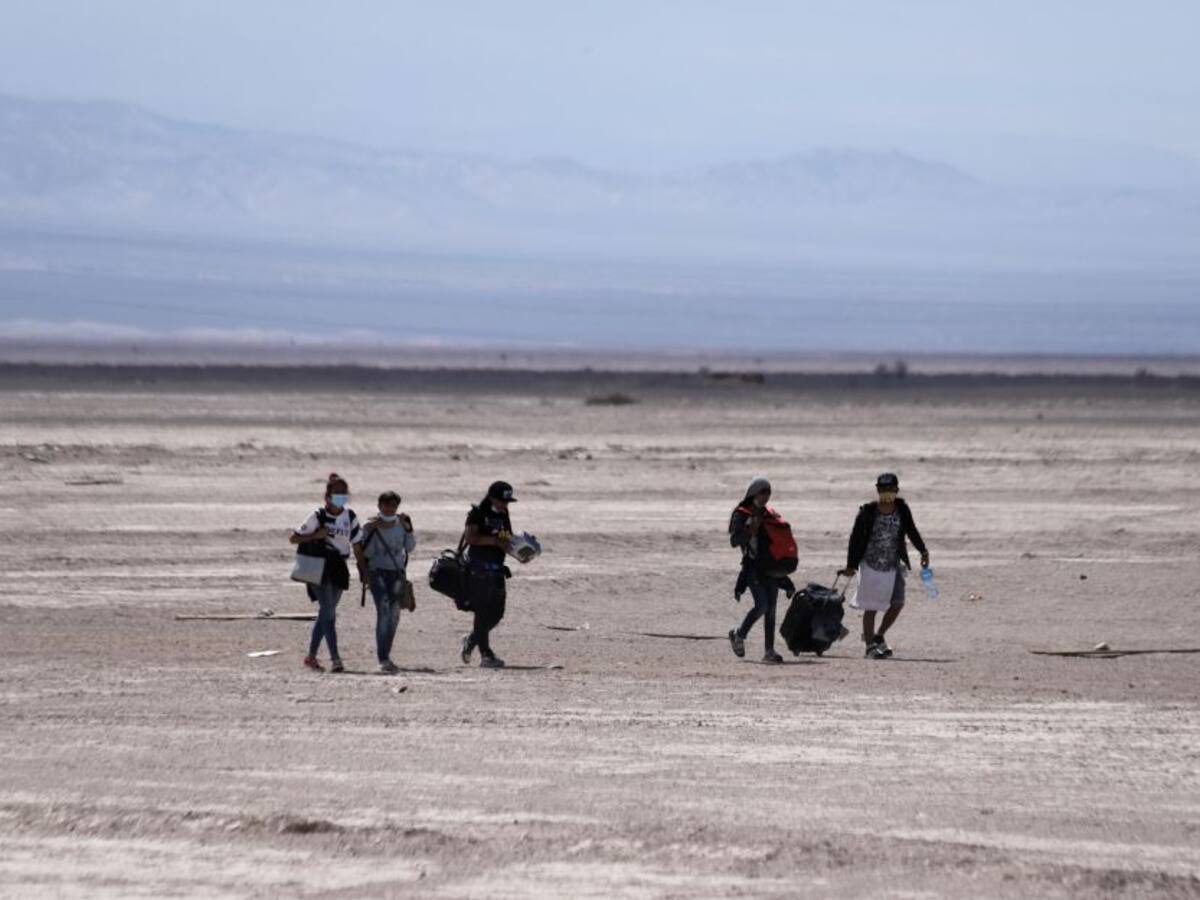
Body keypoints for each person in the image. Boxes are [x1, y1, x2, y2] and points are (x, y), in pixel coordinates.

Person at [840, 472, 929, 659]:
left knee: (897, 602)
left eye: (890, 489)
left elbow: (911, 531)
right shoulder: (867, 512)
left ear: (896, 490)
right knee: (871, 606)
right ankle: (869, 647)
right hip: (871, 564)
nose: (887, 493)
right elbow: (855, 540)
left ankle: (879, 636)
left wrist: (923, 551)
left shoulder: (902, 509)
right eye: (883, 490)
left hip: (892, 564)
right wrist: (851, 566)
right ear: (877, 490)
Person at [290, 473, 362, 673]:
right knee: (329, 613)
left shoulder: (350, 517)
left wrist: (364, 570)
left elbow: (357, 545)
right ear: (328, 496)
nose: (340, 496)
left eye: (343, 493)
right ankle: (336, 659)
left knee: (326, 614)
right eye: (336, 492)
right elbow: (294, 538)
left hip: (339, 567)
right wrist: (315, 535)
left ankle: (311, 656)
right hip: (318, 567)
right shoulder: (317, 516)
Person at [727, 476, 788, 664]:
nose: (767, 495)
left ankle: (769, 651)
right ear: (753, 492)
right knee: (762, 605)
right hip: (753, 568)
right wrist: (751, 530)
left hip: (771, 568)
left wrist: (786, 578)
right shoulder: (741, 513)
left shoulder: (769, 514)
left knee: (771, 610)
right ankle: (739, 634)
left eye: (769, 492)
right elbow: (734, 541)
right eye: (763, 491)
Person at [459, 481, 518, 669]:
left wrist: (520, 549)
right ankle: (486, 655)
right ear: (491, 497)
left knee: (497, 613)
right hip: (478, 568)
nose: (504, 504)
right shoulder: (477, 513)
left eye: (507, 502)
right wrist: (493, 541)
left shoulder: (503, 514)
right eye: (501, 500)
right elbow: (471, 537)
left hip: (497, 568)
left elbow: (507, 537)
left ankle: (472, 639)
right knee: (483, 612)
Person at [358, 490, 416, 675]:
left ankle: (386, 655)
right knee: (383, 611)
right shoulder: (369, 525)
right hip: (377, 572)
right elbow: (363, 552)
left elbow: (410, 547)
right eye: (386, 505)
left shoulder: (401, 523)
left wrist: (409, 529)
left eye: (393, 506)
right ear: (379, 506)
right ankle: (383, 658)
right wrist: (372, 530)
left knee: (393, 614)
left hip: (397, 573)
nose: (390, 509)